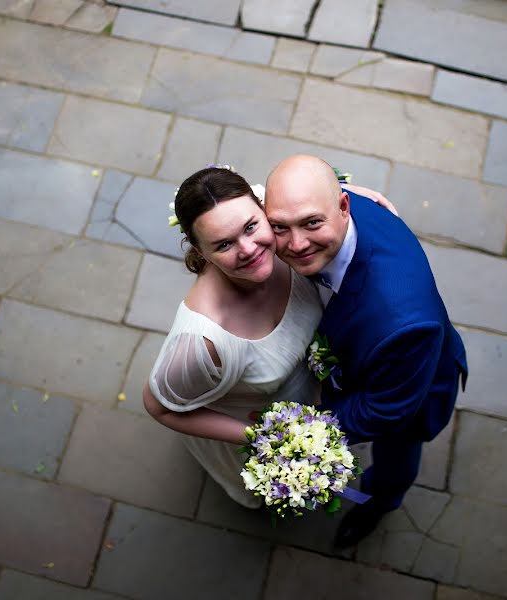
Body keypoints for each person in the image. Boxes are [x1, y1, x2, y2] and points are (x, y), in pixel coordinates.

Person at [142, 166, 394, 508]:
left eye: (251, 227)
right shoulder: (202, 342)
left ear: (264, 209)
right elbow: (159, 407)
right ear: (201, 253)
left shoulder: (288, 240)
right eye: (224, 244)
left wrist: (353, 197)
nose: (248, 249)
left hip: (310, 389)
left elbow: (310, 194)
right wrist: (267, 438)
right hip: (257, 418)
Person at [264, 155, 468, 548]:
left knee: (396, 457)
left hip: (409, 389)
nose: (297, 244)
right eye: (279, 228)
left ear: (343, 207)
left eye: (311, 223)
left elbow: (385, 408)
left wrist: (302, 437)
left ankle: (379, 505)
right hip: (363, 352)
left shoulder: (404, 322)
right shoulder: (330, 201)